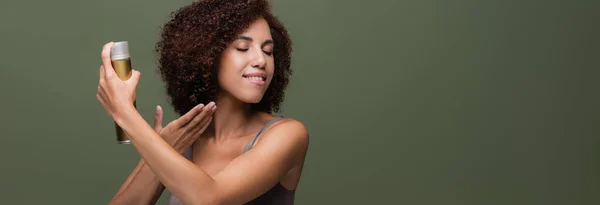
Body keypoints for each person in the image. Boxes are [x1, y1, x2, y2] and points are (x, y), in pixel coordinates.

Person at [95, 0, 309, 204]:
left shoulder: (287, 135)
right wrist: (162, 148)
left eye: (268, 51)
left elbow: (209, 199)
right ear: (208, 55)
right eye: (243, 47)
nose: (261, 60)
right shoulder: (185, 139)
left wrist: (124, 113)